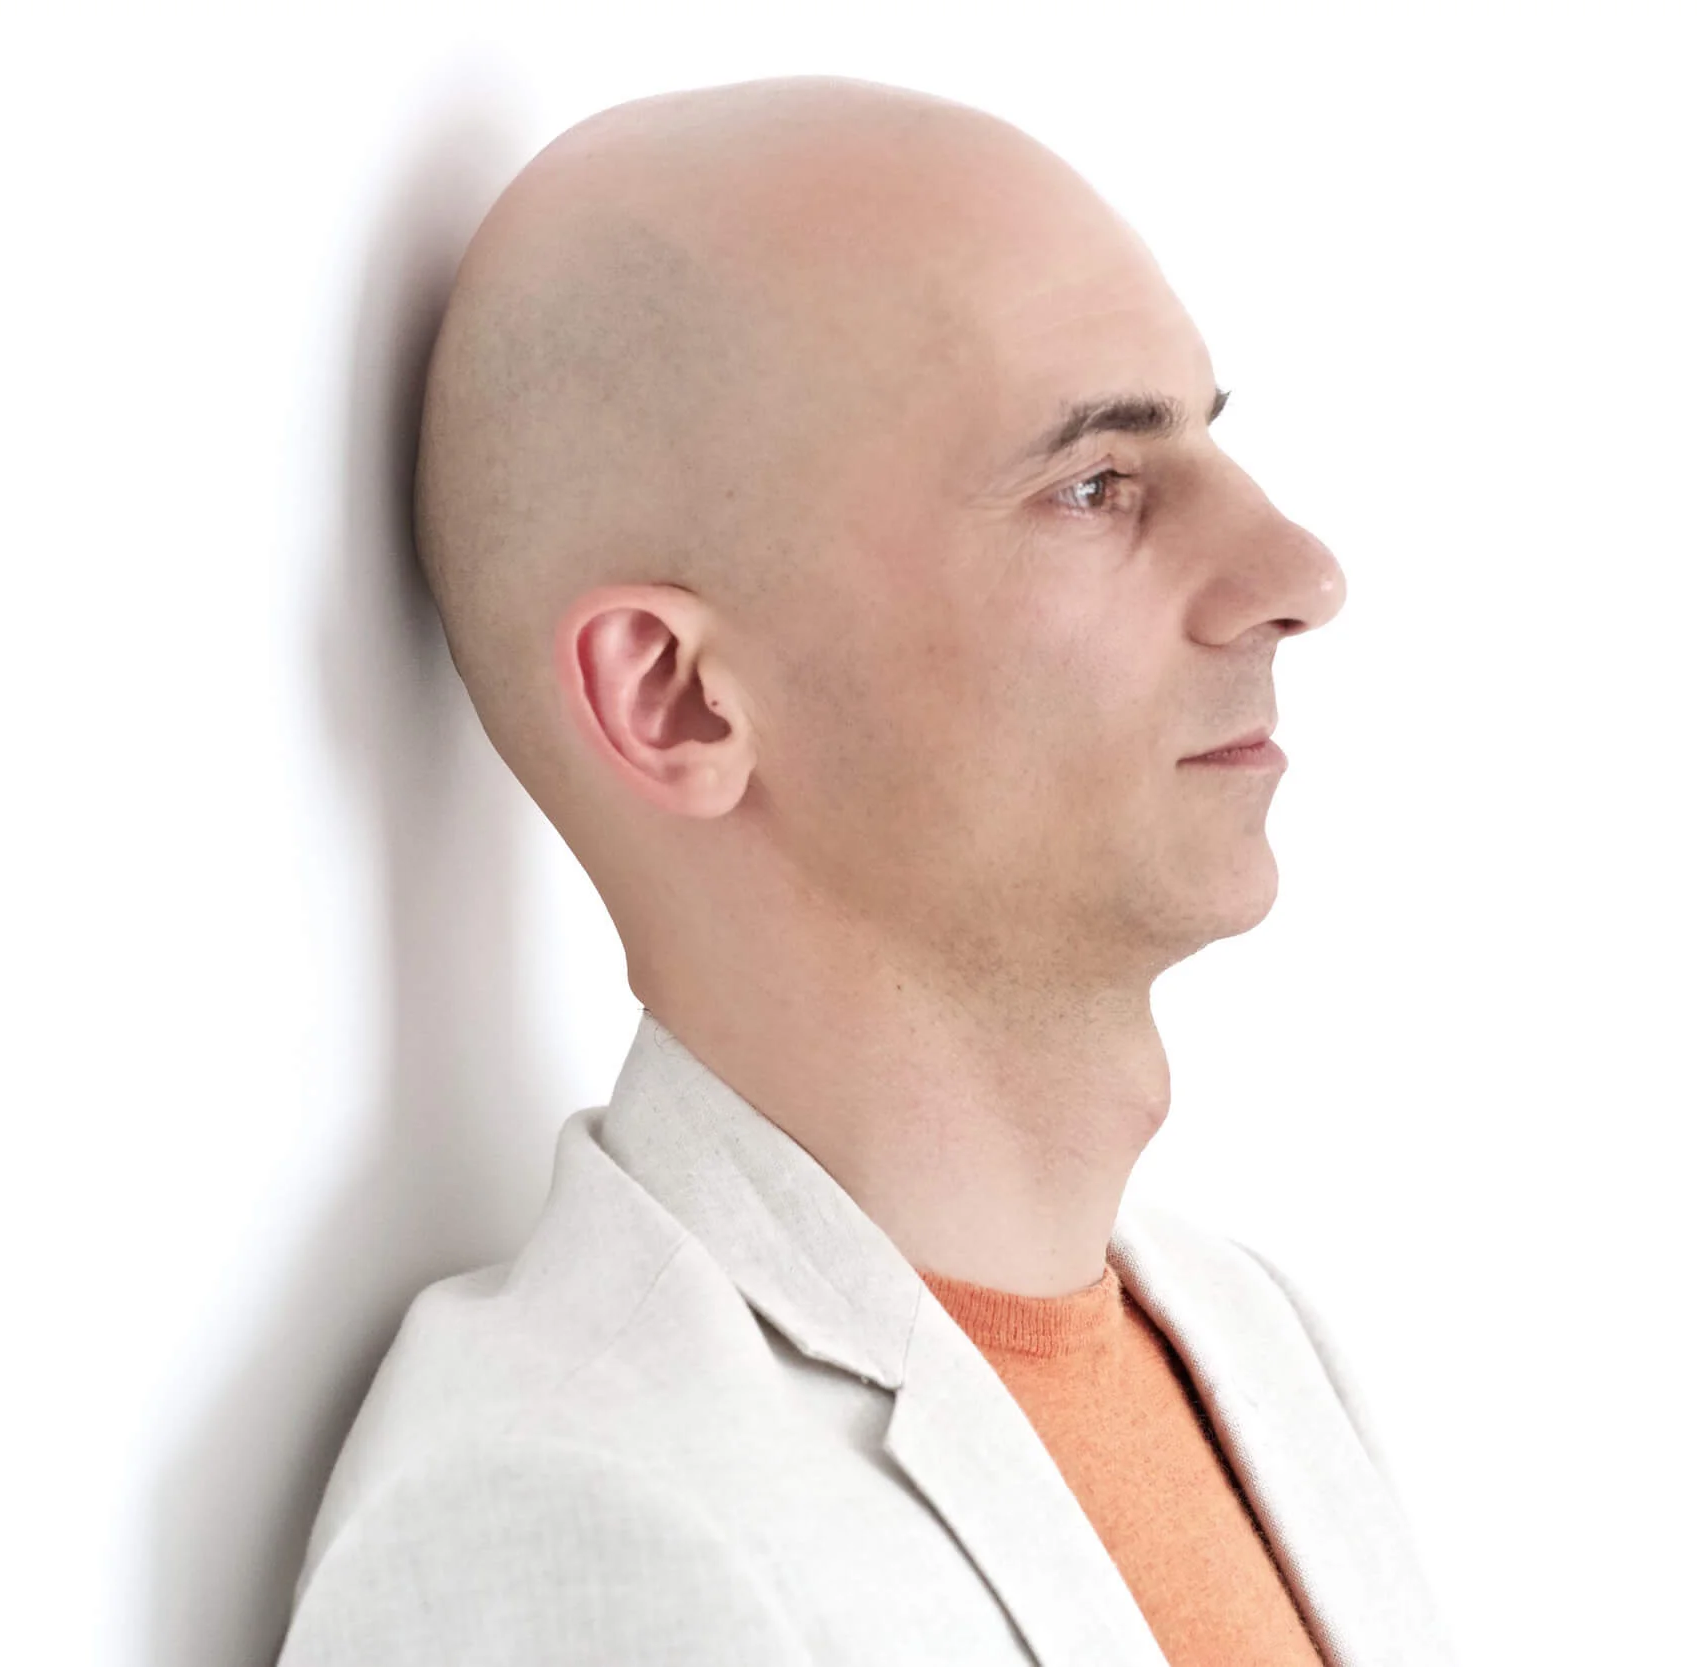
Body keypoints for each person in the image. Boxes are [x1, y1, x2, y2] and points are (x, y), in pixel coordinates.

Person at [280, 75, 1451, 1667]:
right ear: (678, 700)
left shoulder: (1243, 1338)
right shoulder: (577, 1503)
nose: (1300, 574)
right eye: (1095, 484)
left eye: (1209, 439)